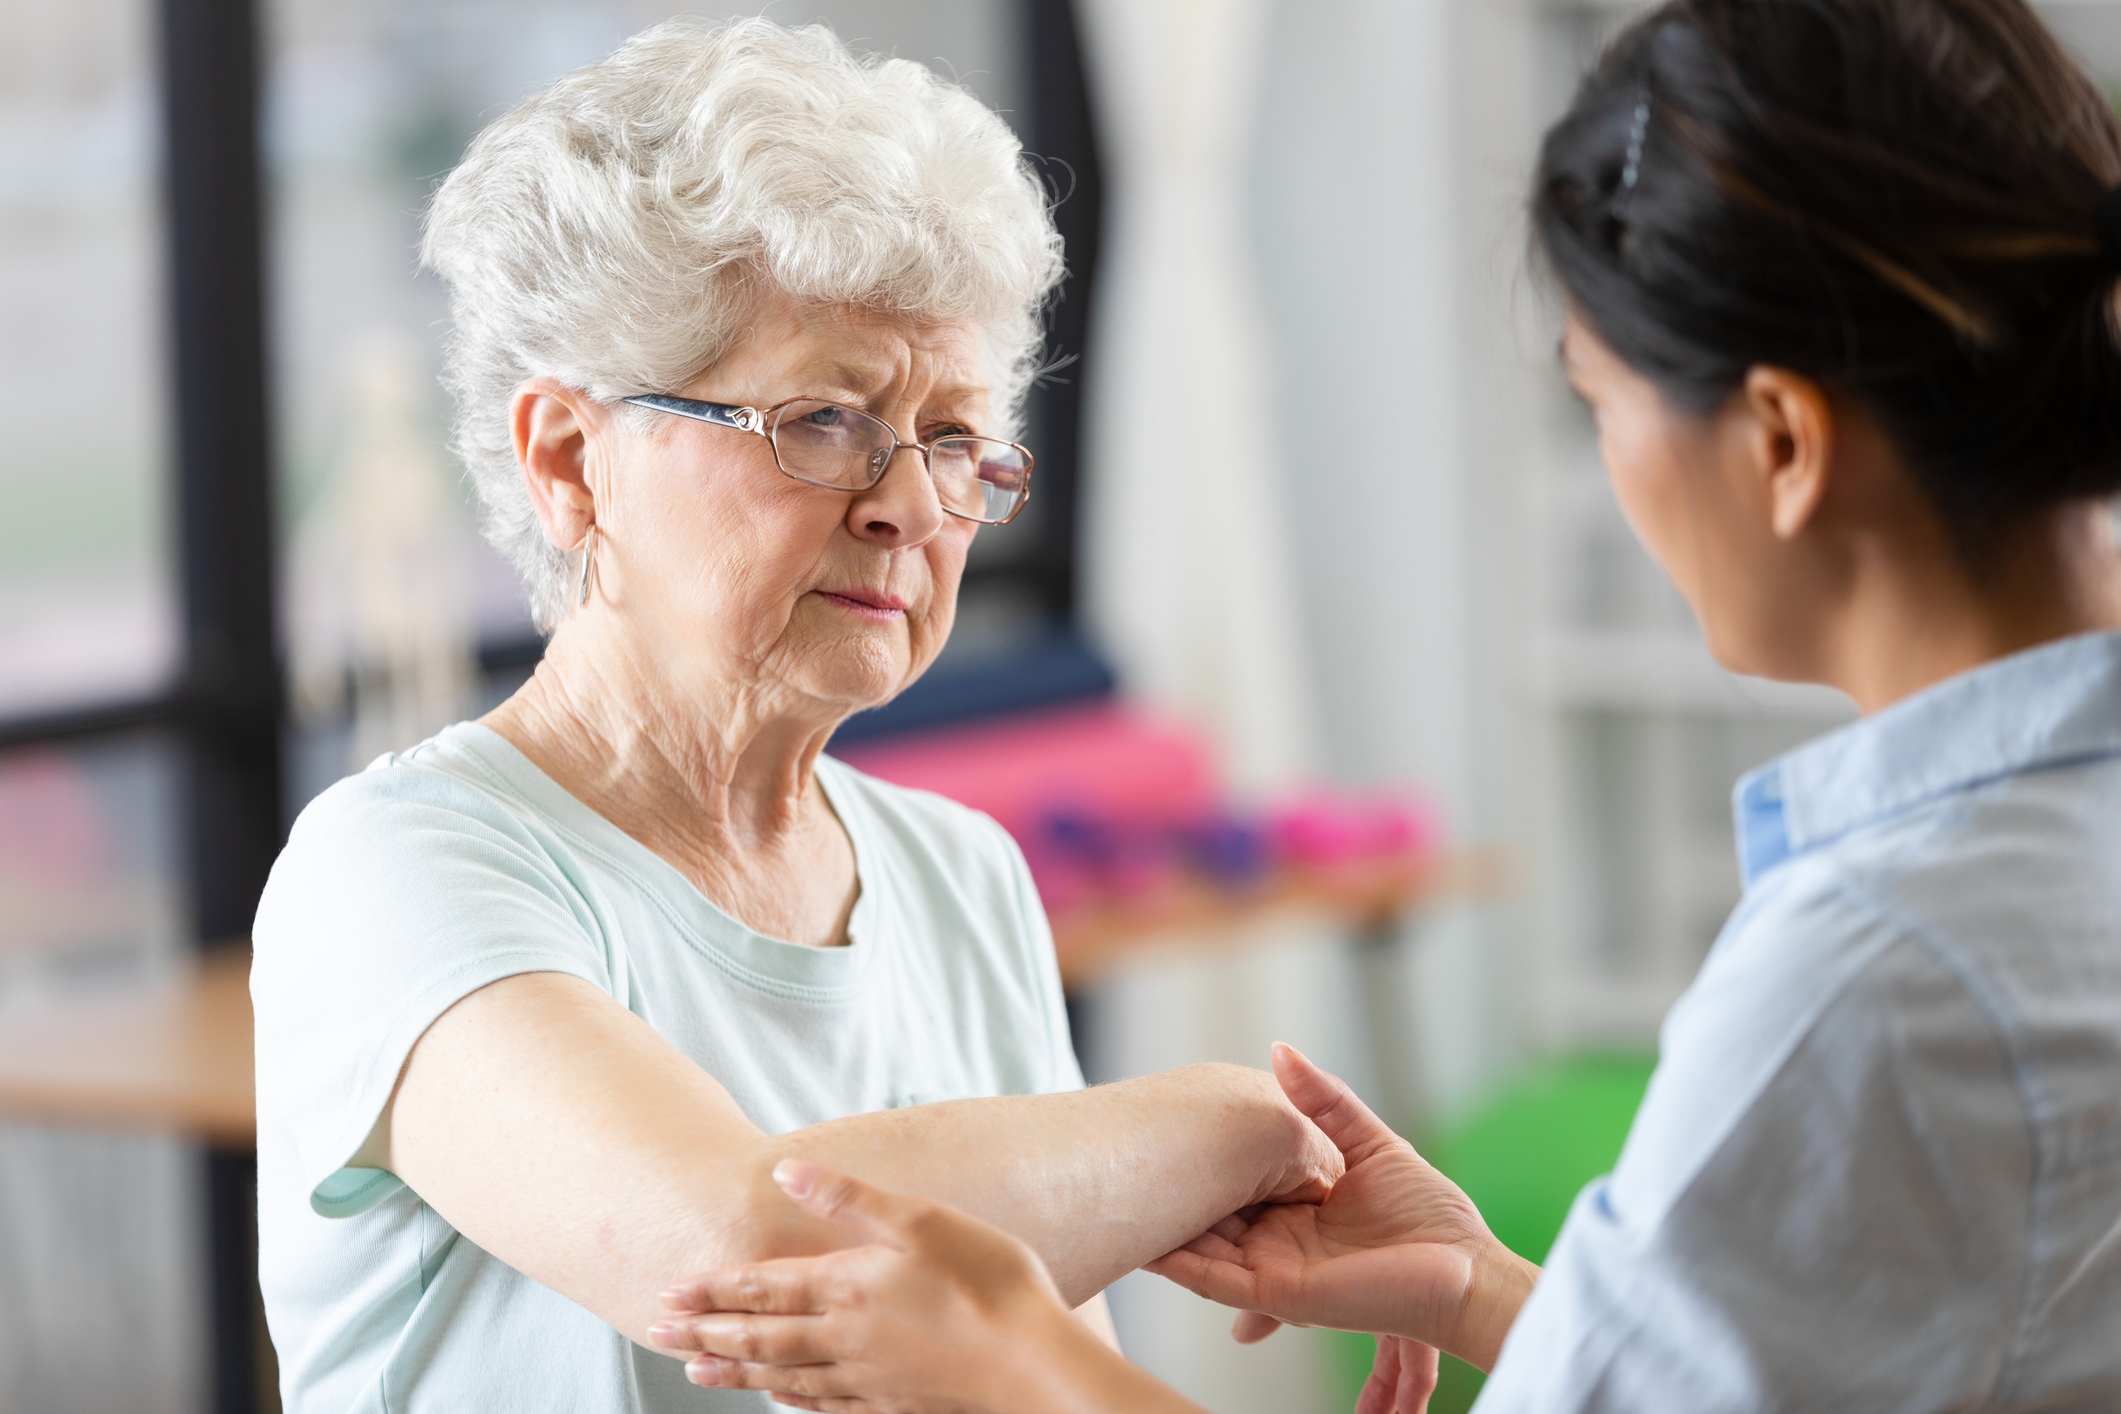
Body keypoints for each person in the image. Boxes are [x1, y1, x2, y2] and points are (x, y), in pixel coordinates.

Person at [645, 0, 2121, 1409]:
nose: (902, 505)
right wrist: (1488, 1292)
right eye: (822, 425)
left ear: (1783, 443)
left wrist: (1022, 1369)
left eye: (1596, 401)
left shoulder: (1877, 969)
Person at [248, 19, 1344, 1413]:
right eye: (823, 418)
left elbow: (1034, 1381)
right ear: (570, 459)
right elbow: (746, 1265)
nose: (906, 502)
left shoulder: (960, 876)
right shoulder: (391, 871)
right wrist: (1230, 1123)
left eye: (953, 439)